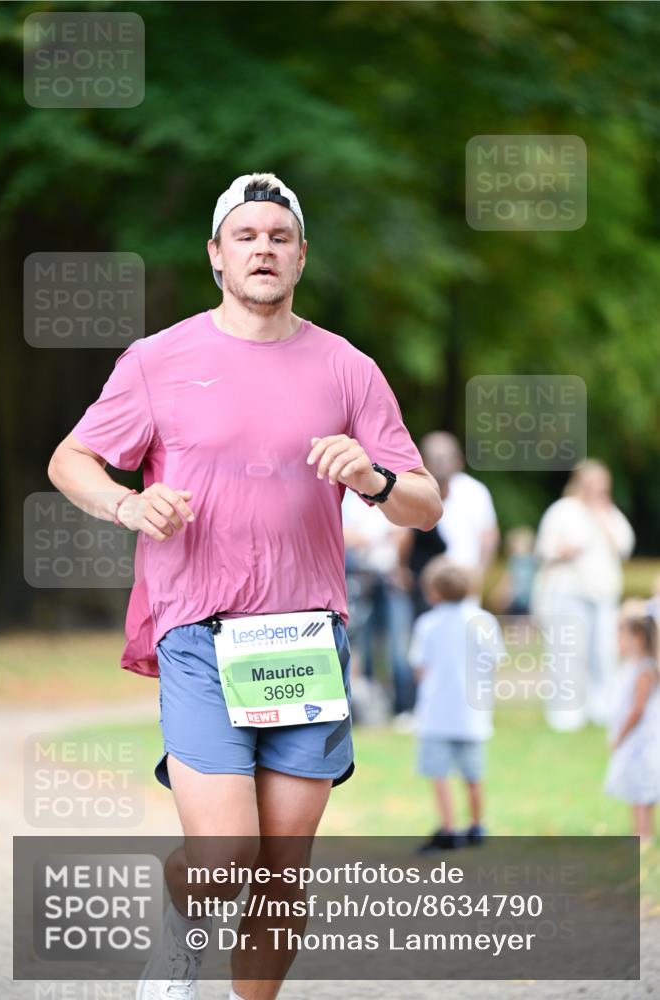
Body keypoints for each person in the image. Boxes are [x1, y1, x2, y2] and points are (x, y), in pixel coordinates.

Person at [47, 172, 442, 1000]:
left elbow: (422, 501)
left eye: (279, 236)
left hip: (306, 637)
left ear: (300, 256)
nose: (263, 248)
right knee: (227, 863)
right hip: (199, 631)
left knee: (282, 870)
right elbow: (70, 460)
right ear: (217, 257)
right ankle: (182, 922)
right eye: (246, 236)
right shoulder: (159, 360)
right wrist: (128, 502)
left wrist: (369, 478)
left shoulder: (347, 367)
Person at [408, 557, 505, 851]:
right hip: (472, 714)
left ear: (433, 592)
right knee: (473, 773)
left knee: (439, 774)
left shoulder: (427, 623)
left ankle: (448, 827)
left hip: (436, 713)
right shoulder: (483, 620)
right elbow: (494, 662)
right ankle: (477, 825)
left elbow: (419, 667)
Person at [532, 460, 635, 731]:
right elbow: (544, 549)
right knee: (567, 652)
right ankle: (566, 715)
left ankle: (601, 707)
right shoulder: (563, 511)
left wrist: (603, 518)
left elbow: (625, 546)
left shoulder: (609, 513)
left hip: (602, 594)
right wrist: (563, 551)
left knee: (603, 651)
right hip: (568, 592)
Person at [341, 486, 416, 715]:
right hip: (358, 580)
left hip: (390, 578)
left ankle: (404, 707)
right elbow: (341, 532)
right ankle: (367, 710)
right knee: (362, 647)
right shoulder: (347, 497)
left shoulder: (388, 484)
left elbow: (406, 528)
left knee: (399, 646)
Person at [603, 603, 660, 847]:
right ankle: (637, 832)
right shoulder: (630, 667)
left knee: (642, 787)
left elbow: (638, 709)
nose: (618, 641)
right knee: (632, 785)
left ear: (636, 637)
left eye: (621, 635)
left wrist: (621, 735)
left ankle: (644, 834)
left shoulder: (646, 670)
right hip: (632, 739)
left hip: (641, 740)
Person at [420, 432, 500, 592]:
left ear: (458, 460)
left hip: (465, 579)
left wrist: (480, 574)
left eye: (445, 458)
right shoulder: (415, 490)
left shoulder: (474, 491)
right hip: (426, 585)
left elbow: (489, 535)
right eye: (435, 458)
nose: (440, 464)